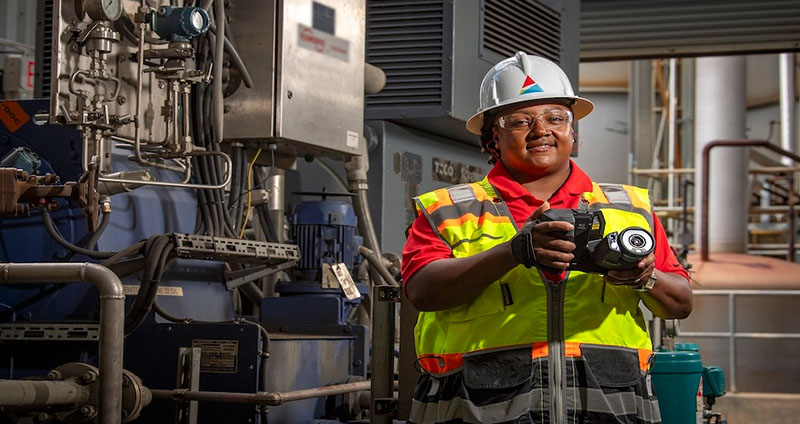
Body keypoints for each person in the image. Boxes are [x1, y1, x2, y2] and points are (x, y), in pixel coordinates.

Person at [401, 52, 693, 424]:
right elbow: (422, 292)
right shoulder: (448, 209)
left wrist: (644, 277)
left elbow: (680, 303)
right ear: (493, 136)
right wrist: (514, 252)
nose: (541, 130)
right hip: (479, 410)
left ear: (573, 132)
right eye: (520, 121)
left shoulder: (628, 207)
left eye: (556, 118)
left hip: (609, 409)